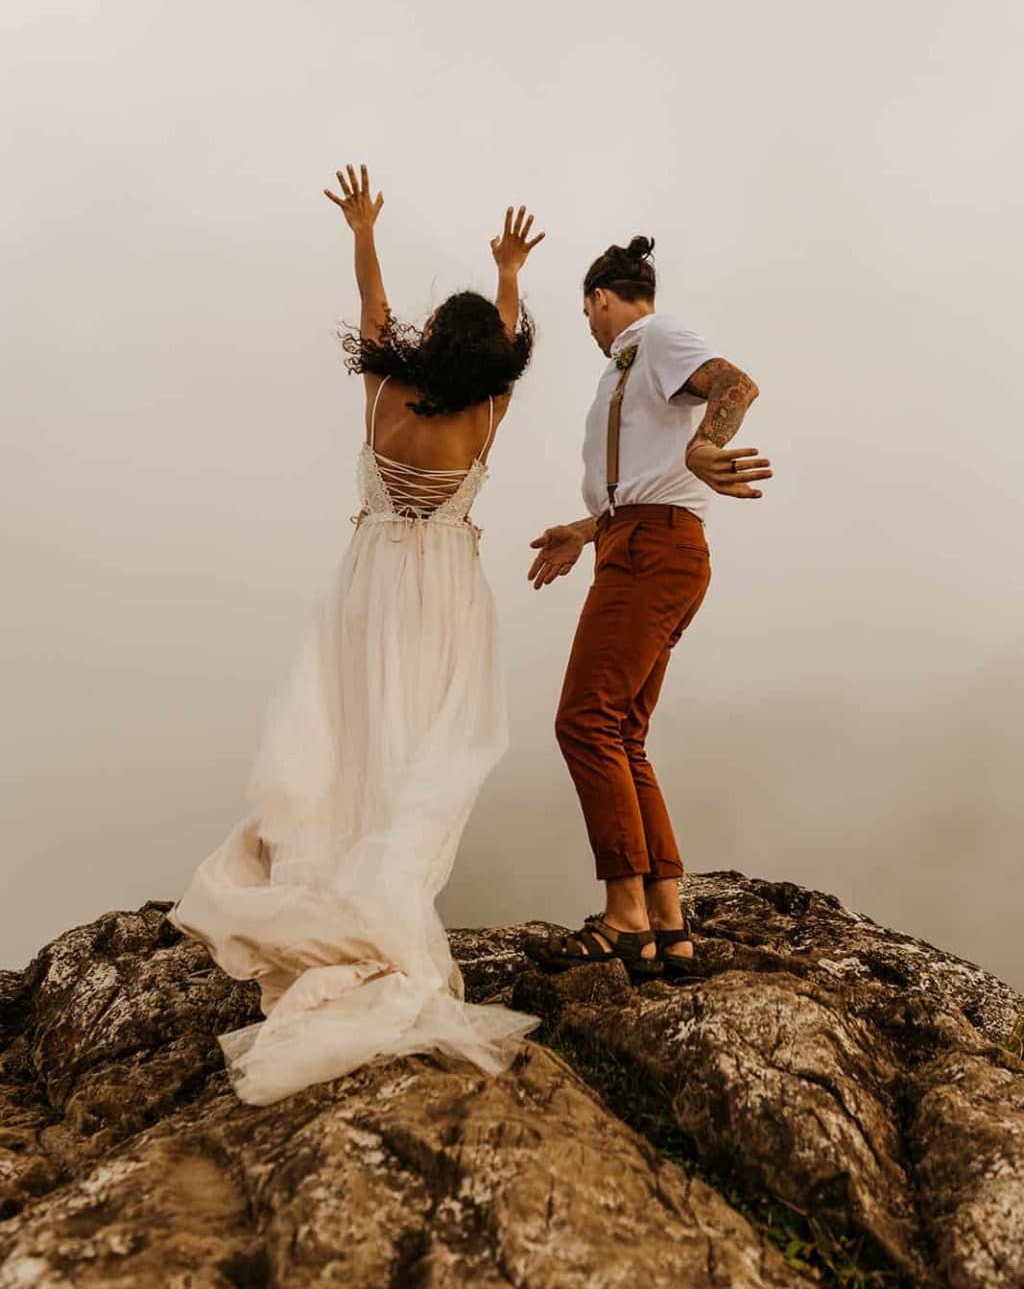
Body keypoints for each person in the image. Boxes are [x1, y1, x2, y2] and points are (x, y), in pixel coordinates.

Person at [167, 164, 544, 1105]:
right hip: (444, 590)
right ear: (488, 361)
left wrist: (364, 229)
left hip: (369, 582)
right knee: (423, 751)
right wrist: (510, 272)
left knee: (349, 737)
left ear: (428, 341)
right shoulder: (488, 413)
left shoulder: (382, 390)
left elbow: (372, 305)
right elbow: (506, 345)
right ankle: (390, 899)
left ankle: (338, 887)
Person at [525, 235, 772, 981]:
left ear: (600, 299)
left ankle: (625, 919)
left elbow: (735, 386)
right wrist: (586, 528)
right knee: (624, 733)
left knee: (585, 720)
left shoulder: (657, 337)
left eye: (587, 314)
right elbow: (642, 474)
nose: (590, 328)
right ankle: (668, 924)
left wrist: (705, 448)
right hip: (639, 541)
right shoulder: (630, 361)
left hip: (651, 550)